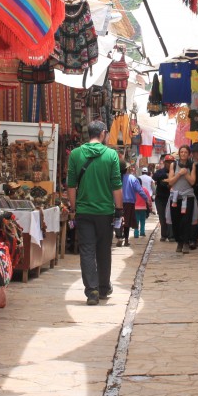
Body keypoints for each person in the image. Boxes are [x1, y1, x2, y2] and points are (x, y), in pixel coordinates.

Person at [66, 120, 122, 305]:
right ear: (103, 133)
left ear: (88, 134)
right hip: (105, 212)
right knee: (104, 250)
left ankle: (92, 291)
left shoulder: (75, 154)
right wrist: (119, 211)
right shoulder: (111, 155)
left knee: (87, 251)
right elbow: (116, 186)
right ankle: (104, 288)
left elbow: (71, 185)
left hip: (84, 211)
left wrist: (74, 208)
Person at [167, 145, 197, 253]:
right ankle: (179, 241)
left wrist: (186, 173)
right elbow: (170, 182)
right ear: (179, 154)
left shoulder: (192, 165)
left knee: (186, 219)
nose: (183, 154)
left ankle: (186, 242)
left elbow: (193, 181)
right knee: (176, 220)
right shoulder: (173, 165)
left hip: (187, 196)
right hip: (175, 197)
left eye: (185, 152)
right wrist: (179, 174)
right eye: (181, 152)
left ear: (189, 154)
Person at [120, 162, 150, 246]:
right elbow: (139, 190)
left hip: (117, 202)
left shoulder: (116, 178)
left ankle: (119, 236)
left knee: (118, 220)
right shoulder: (132, 178)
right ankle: (125, 239)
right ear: (127, 169)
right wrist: (146, 199)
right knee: (126, 222)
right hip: (129, 203)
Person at [153, 155, 174, 242]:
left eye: (171, 162)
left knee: (171, 217)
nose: (169, 164)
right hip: (160, 198)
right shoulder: (160, 172)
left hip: (172, 198)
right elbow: (155, 177)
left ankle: (171, 235)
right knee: (162, 217)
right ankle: (164, 235)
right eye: (168, 162)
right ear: (165, 163)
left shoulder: (175, 172)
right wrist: (166, 175)